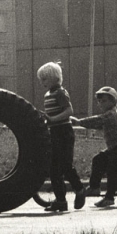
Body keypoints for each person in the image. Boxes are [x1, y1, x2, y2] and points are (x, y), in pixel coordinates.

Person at [70, 86, 117, 208]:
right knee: (98, 159)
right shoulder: (108, 115)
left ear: (113, 101)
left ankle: (109, 198)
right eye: (99, 101)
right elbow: (97, 124)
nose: (100, 104)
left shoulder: (111, 114)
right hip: (116, 147)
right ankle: (94, 187)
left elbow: (97, 120)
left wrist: (79, 122)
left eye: (104, 101)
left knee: (112, 169)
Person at [37, 61, 86, 212]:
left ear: (55, 78)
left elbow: (69, 111)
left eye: (45, 79)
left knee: (65, 165)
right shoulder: (48, 95)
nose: (42, 82)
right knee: (54, 168)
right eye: (41, 79)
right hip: (54, 133)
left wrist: (52, 119)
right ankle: (61, 201)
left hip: (64, 132)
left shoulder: (60, 93)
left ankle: (79, 189)